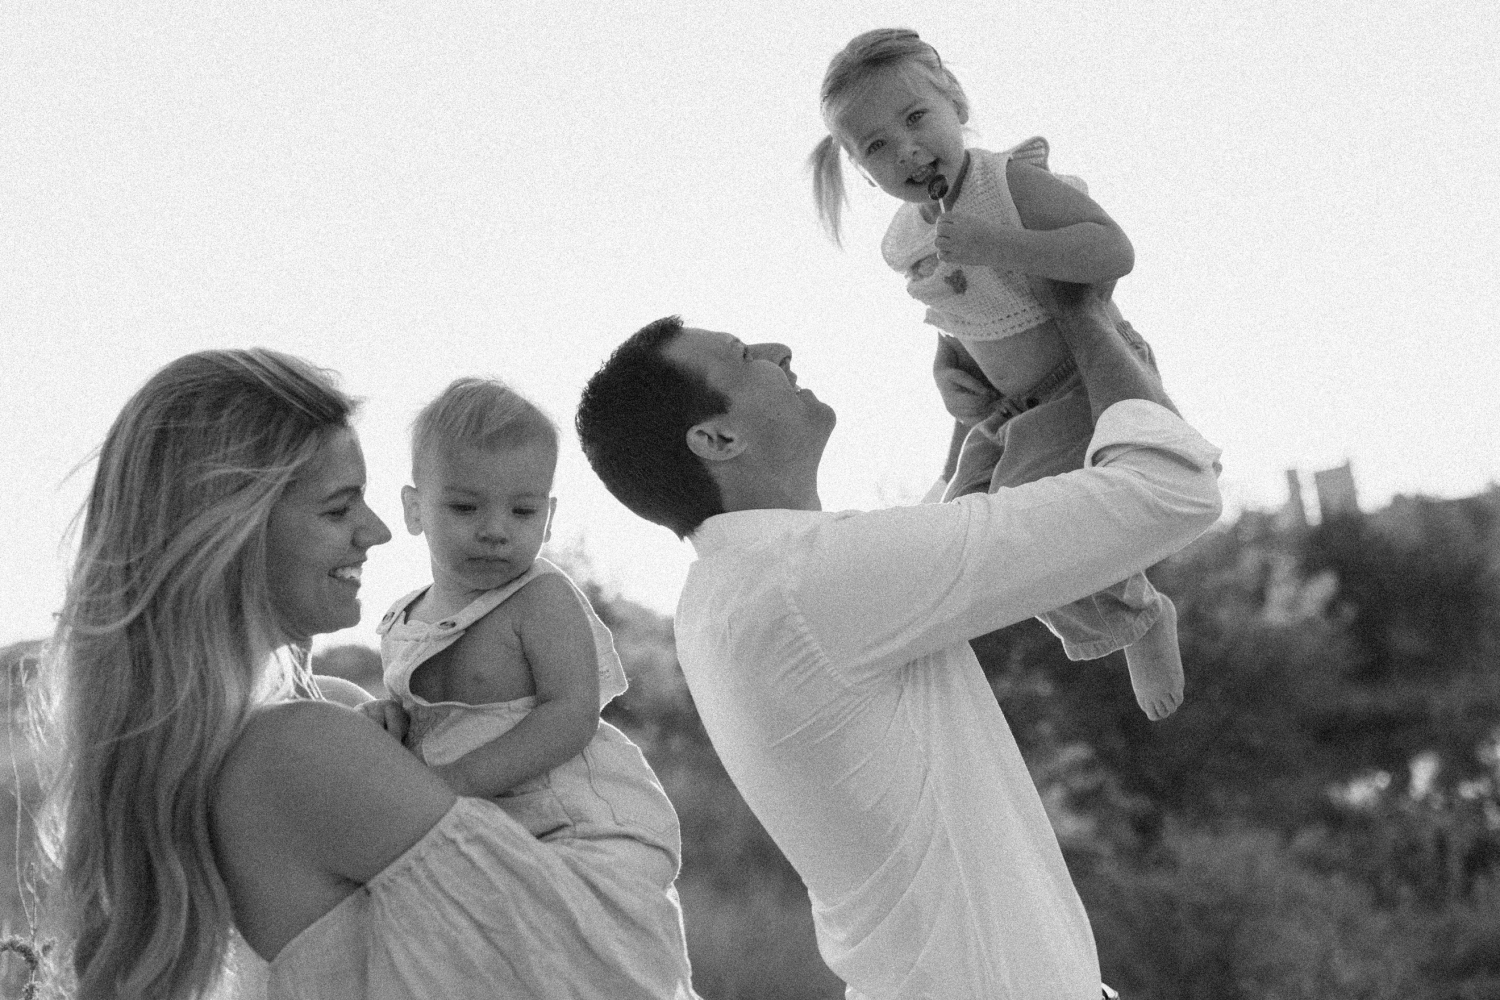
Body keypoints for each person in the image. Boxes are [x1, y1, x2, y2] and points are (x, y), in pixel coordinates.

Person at [575, 288, 1221, 999]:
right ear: (718, 439)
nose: (778, 350)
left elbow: (916, 561)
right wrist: (1082, 312)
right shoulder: (807, 582)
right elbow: (1170, 491)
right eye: (742, 357)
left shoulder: (727, 597)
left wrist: (983, 429)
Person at [37, 349, 699, 1000]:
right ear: (230, 533)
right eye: (337, 507)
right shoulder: (296, 748)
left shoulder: (319, 719)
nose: (377, 531)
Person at [808, 27, 1185, 720]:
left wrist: (998, 242)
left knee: (1022, 535)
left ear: (955, 103)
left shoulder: (1007, 185)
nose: (907, 150)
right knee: (958, 535)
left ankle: (1137, 613)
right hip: (1004, 408)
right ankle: (914, 666)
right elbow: (961, 313)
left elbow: (1110, 251)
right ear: (863, 172)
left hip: (1077, 384)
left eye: (915, 118)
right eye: (877, 147)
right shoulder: (906, 235)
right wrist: (947, 368)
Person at [367, 377, 689, 919]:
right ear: (415, 510)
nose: (496, 530)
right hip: (485, 829)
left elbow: (571, 713)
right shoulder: (403, 619)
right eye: (466, 508)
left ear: (549, 514)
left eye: (522, 512)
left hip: (582, 826)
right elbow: (421, 717)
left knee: (591, 944)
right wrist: (389, 718)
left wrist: (460, 783)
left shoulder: (539, 598)